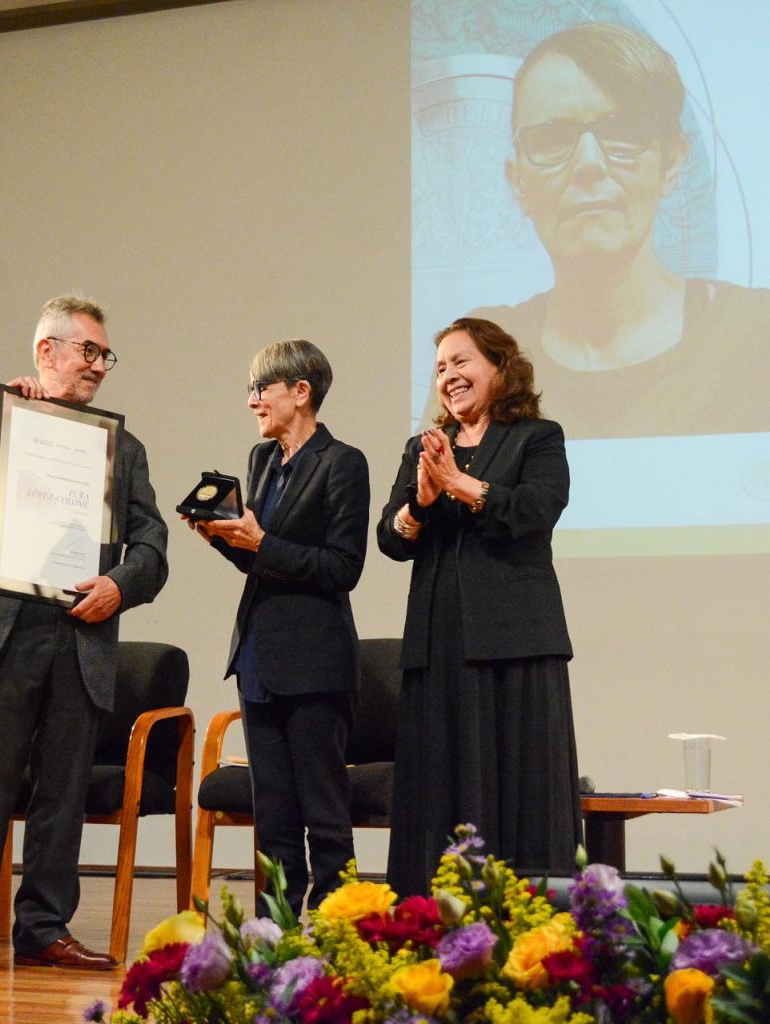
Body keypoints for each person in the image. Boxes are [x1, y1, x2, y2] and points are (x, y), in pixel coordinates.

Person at [0, 295, 168, 979]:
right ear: (45, 352)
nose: (99, 367)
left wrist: (121, 585)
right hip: (0, 631)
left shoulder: (123, 446)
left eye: (105, 355)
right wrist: (0, 414)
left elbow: (152, 543)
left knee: (64, 790)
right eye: (88, 351)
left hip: (80, 633)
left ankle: (43, 929)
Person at [430, 21, 770, 438]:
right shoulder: (485, 354)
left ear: (673, 163)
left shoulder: (756, 333)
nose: (589, 164)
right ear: (517, 180)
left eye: (623, 132)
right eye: (552, 138)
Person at [380, 317, 580, 895]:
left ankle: (530, 913)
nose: (448, 376)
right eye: (440, 367)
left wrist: (461, 486)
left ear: (499, 367)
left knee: (521, 784)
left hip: (517, 640)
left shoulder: (537, 438)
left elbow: (536, 509)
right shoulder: (423, 448)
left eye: (461, 362)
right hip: (440, 641)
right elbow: (391, 539)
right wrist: (418, 504)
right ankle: (432, 916)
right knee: (439, 785)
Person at [185, 340, 369, 916]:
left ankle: (341, 933)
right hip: (259, 659)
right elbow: (261, 560)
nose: (251, 402)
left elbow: (344, 567)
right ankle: (276, 934)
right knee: (276, 816)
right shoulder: (263, 461)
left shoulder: (343, 462)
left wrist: (262, 542)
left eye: (259, 389)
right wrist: (225, 540)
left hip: (315, 663)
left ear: (300, 391)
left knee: (324, 815)